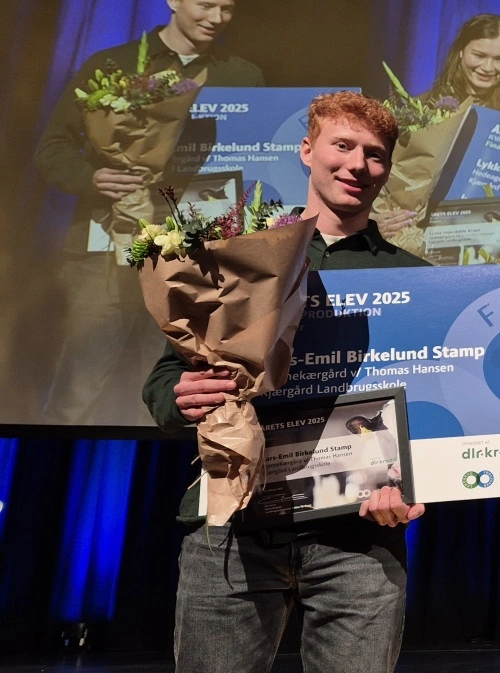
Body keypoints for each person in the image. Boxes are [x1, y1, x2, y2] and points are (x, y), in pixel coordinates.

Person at [142, 91, 427, 673]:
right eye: (342, 145)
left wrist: (420, 485)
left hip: (360, 537)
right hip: (234, 525)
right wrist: (181, 397)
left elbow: (438, 406)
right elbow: (168, 374)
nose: (357, 165)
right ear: (307, 151)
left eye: (374, 155)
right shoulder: (238, 258)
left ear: (388, 170)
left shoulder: (417, 278)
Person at [34, 0, 264, 425]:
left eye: (228, 9)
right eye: (206, 5)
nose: (216, 18)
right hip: (103, 251)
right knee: (78, 388)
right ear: (174, 1)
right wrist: (92, 177)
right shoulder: (112, 65)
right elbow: (53, 148)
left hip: (194, 262)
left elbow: (255, 164)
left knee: (170, 390)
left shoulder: (242, 76)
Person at [376, 13, 500, 241]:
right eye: (479, 55)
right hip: (426, 232)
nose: (488, 67)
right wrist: (378, 217)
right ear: (461, 51)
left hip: (494, 235)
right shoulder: (422, 107)